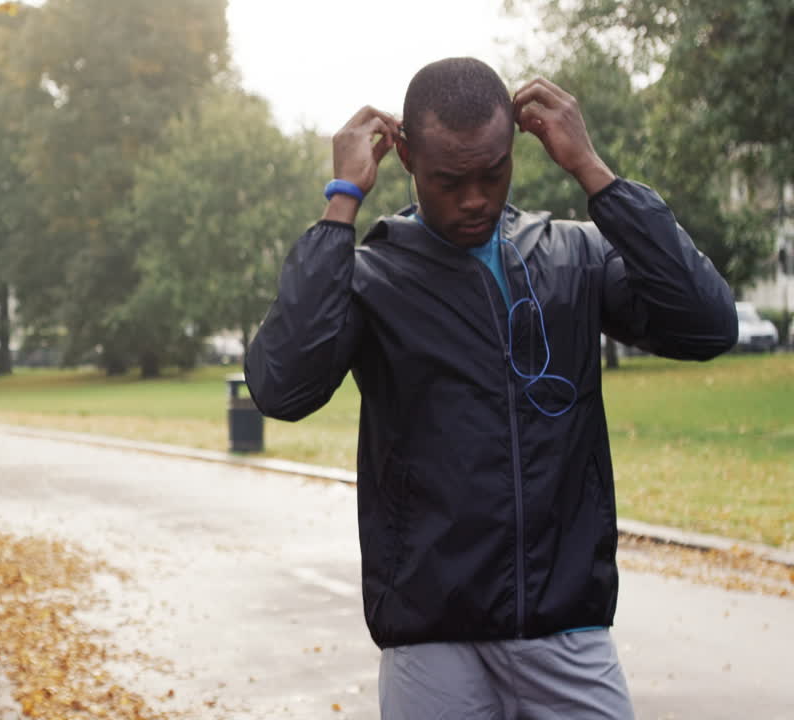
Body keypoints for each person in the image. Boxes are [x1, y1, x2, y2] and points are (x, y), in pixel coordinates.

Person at [244, 58, 737, 719]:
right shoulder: (372, 278)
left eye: (493, 173)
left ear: (516, 148)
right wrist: (342, 202)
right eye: (450, 180)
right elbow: (282, 386)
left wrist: (592, 170)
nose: (475, 197)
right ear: (409, 157)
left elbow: (707, 325)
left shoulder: (574, 256)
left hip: (567, 632)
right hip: (433, 641)